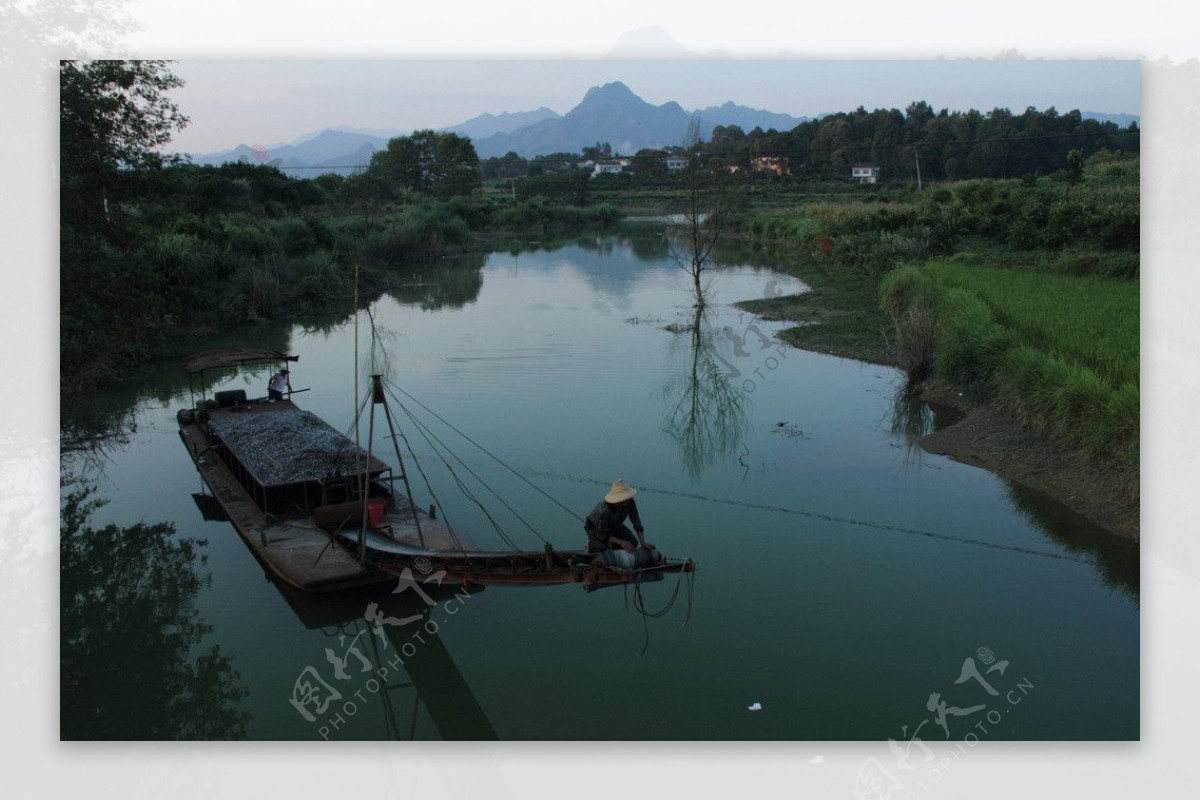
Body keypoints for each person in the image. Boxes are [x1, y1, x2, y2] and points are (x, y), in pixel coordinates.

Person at [584, 478, 655, 555]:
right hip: (596, 528)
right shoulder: (605, 510)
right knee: (601, 550)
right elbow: (602, 534)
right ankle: (592, 544)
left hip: (615, 525)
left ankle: (613, 545)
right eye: (622, 500)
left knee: (633, 543)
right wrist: (621, 542)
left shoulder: (630, 502)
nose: (625, 501)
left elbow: (636, 521)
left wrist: (642, 542)